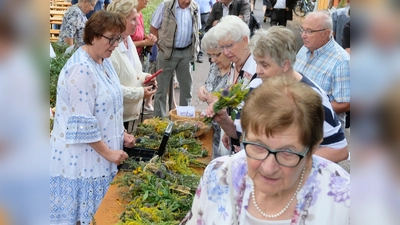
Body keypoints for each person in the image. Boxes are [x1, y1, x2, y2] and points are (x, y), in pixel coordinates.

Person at [181, 75, 350, 224]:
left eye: (287, 152)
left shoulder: (347, 201)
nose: (268, 168)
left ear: (313, 146)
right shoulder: (218, 175)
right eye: (258, 146)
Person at [50, 11, 135, 225]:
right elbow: (83, 125)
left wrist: (122, 134)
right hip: (84, 160)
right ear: (94, 35)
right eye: (111, 38)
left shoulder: (103, 61)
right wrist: (109, 154)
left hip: (101, 156)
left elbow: (109, 107)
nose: (115, 44)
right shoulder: (81, 69)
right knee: (88, 218)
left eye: (118, 38)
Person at [249, 27, 348, 162]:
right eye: (256, 63)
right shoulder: (257, 84)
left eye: (264, 65)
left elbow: (340, 150)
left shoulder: (313, 99)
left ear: (285, 65)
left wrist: (290, 161)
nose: (258, 71)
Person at [205, 15, 261, 153]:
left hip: (249, 145)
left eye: (229, 45)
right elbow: (229, 90)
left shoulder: (258, 70)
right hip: (231, 136)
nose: (225, 52)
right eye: (222, 47)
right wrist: (220, 98)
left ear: (245, 40)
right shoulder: (234, 64)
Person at [294, 11, 350, 129]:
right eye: (302, 30)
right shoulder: (304, 49)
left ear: (326, 33)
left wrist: (307, 110)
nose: (303, 35)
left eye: (309, 31)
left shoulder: (342, 61)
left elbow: (345, 103)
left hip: (322, 131)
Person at [108, 0, 157, 133]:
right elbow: (110, 89)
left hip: (128, 114)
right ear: (121, 20)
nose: (138, 23)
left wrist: (146, 77)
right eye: (133, 19)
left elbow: (134, 73)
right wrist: (141, 92)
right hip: (115, 117)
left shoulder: (128, 40)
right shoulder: (111, 49)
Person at [150, 0, 201, 118]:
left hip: (186, 52)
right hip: (166, 52)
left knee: (186, 88)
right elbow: (153, 28)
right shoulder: (165, 6)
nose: (187, 1)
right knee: (161, 90)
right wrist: (160, 47)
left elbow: (196, 29)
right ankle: (160, 121)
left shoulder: (195, 7)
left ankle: (183, 120)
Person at [197, 27, 233, 159]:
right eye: (210, 55)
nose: (213, 60)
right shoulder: (215, 66)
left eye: (217, 54)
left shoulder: (236, 71)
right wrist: (202, 89)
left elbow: (234, 99)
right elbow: (209, 84)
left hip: (227, 132)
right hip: (212, 128)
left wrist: (218, 99)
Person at [130, 0, 158, 112]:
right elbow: (123, 43)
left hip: (138, 57)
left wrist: (148, 37)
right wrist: (145, 43)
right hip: (129, 58)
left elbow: (139, 36)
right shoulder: (127, 17)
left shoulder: (140, 14)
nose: (147, 0)